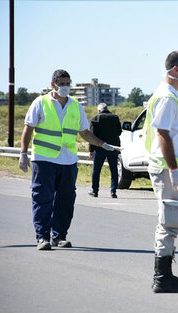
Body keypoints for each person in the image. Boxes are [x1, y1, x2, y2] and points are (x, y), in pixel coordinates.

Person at [19, 69, 121, 251]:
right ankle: (43, 237)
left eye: (68, 84)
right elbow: (28, 128)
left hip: (67, 161)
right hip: (44, 159)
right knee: (43, 198)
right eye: (62, 84)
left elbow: (84, 133)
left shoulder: (75, 105)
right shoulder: (40, 102)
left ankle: (59, 236)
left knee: (66, 200)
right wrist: (23, 153)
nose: (65, 87)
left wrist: (102, 144)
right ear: (53, 85)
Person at [143, 51, 178, 293]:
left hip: (170, 166)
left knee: (171, 219)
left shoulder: (172, 96)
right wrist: (174, 168)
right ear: (175, 70)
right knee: (168, 221)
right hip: (167, 168)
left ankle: (165, 274)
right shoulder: (166, 97)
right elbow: (162, 134)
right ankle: (162, 277)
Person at [88, 102, 122, 198]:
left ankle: (95, 190)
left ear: (99, 110)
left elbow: (92, 136)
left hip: (100, 147)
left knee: (97, 170)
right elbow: (119, 132)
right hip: (113, 147)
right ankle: (113, 191)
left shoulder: (95, 118)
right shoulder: (115, 117)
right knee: (114, 169)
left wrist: (91, 150)